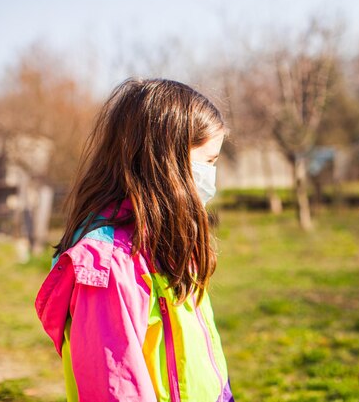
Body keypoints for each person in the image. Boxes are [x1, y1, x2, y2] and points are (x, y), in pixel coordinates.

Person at [35, 78, 234, 402]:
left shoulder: (169, 240)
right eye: (209, 162)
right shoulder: (110, 267)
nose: (212, 175)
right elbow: (114, 387)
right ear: (165, 161)